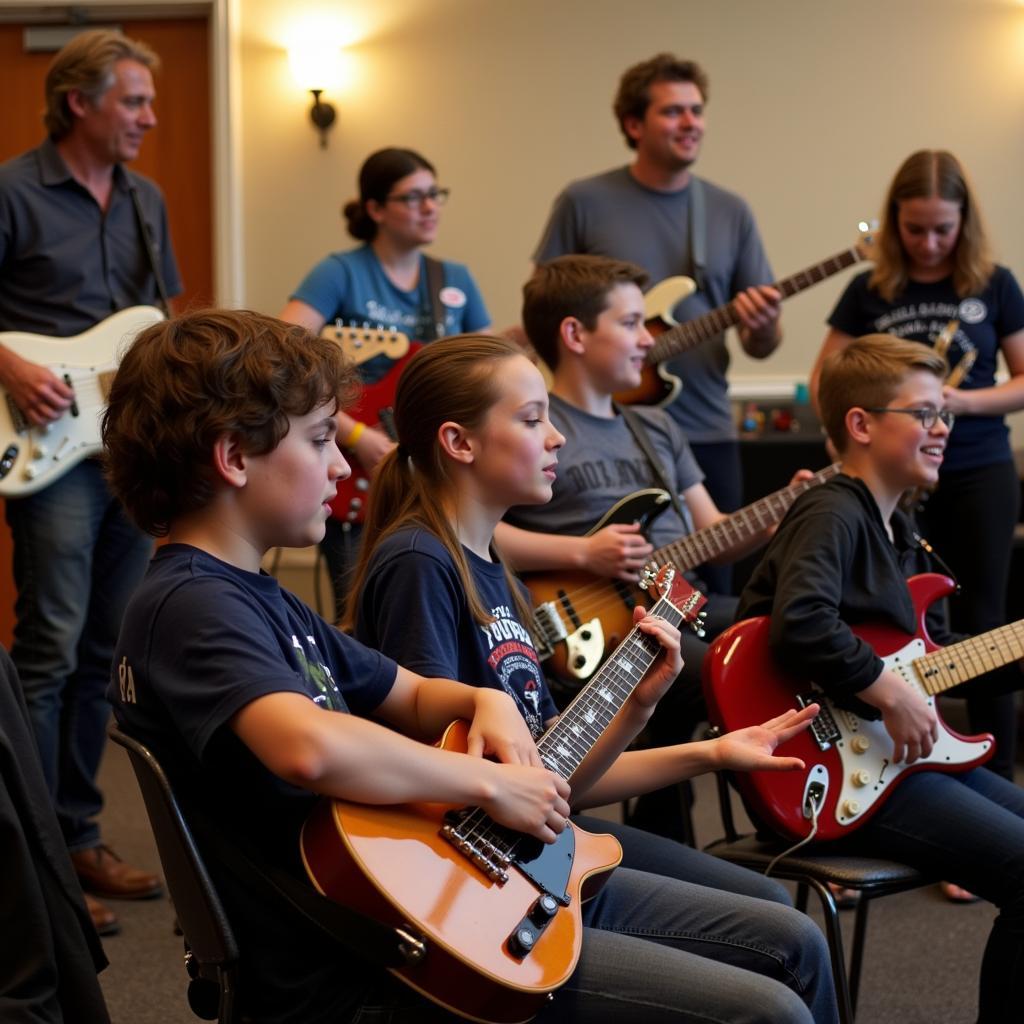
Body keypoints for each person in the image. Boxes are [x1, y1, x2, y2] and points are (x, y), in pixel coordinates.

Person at [101, 311, 835, 1024]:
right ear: (233, 457)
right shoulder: (191, 604)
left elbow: (410, 691)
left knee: (791, 940)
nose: (340, 463)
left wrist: (483, 702)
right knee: (764, 1005)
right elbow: (308, 747)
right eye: (322, 439)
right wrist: (491, 779)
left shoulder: (259, 597)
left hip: (404, 911)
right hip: (353, 958)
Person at [345, 332, 839, 1024]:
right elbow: (436, 782)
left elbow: (556, 779)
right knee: (779, 983)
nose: (555, 438)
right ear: (459, 442)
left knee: (790, 926)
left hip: (539, 846)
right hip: (487, 884)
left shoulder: (498, 573)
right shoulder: (420, 564)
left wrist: (672, 726)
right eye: (530, 419)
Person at [738, 334, 1024, 1023]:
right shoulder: (832, 509)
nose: (941, 430)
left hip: (889, 761)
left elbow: (930, 656)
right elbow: (800, 623)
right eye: (923, 414)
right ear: (861, 424)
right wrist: (889, 690)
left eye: (945, 416)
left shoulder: (899, 528)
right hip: (825, 775)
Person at [496, 255, 805, 840]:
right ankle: (699, 833)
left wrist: (780, 510)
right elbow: (478, 531)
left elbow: (713, 536)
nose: (648, 340)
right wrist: (580, 556)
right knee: (721, 668)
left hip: (681, 601)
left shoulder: (657, 427)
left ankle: (755, 825)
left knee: (794, 633)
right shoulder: (536, 422)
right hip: (585, 624)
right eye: (632, 323)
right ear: (575, 334)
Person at [0, 28, 181, 935]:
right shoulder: (12, 189)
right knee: (50, 644)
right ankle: (27, 859)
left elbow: (162, 319)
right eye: (134, 102)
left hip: (125, 445)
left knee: (102, 648)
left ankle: (77, 834)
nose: (149, 118)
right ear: (81, 103)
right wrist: (4, 360)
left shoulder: (146, 200)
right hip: (45, 447)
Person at [811, 150, 1024, 787]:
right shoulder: (869, 289)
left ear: (965, 223)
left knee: (984, 624)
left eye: (943, 229)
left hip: (978, 471)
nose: (929, 243)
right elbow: (826, 377)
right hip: (890, 482)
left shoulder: (996, 284)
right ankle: (886, 777)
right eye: (914, 228)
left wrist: (954, 404)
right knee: (892, 631)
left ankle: (990, 777)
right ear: (893, 221)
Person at [533, 54, 782, 593]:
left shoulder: (728, 210)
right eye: (674, 112)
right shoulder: (585, 201)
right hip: (601, 428)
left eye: (697, 110)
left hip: (702, 424)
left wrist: (763, 324)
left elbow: (762, 345)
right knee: (614, 591)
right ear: (633, 124)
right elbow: (546, 303)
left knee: (710, 590)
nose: (692, 122)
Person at [279, 147, 491, 617]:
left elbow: (489, 369)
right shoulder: (341, 271)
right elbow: (282, 353)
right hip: (357, 469)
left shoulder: (453, 278)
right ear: (375, 209)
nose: (430, 206)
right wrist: (354, 435)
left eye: (435, 194)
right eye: (414, 197)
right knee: (363, 615)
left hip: (438, 468)